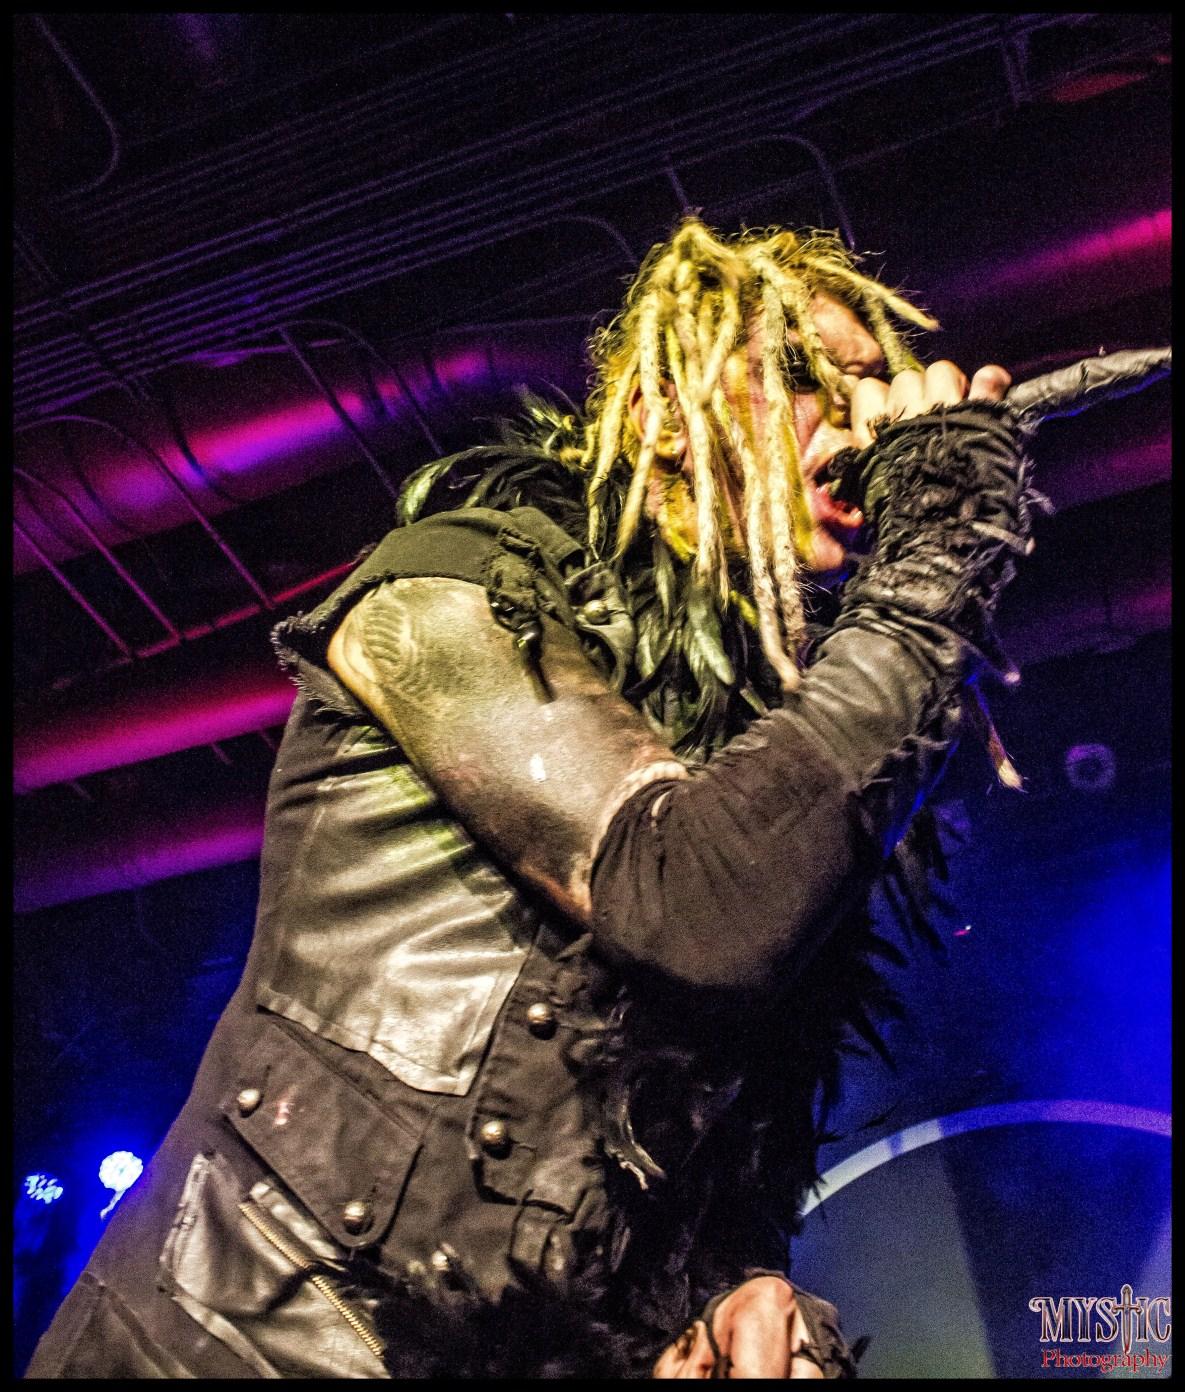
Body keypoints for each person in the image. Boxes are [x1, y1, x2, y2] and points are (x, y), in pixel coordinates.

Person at [27, 217, 1035, 1379]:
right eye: (819, 379)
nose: (866, 426)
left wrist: (733, 1294)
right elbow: (695, 904)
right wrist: (931, 575)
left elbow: (697, 1143)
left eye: (879, 392)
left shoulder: (787, 784)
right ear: (663, 412)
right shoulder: (456, 591)